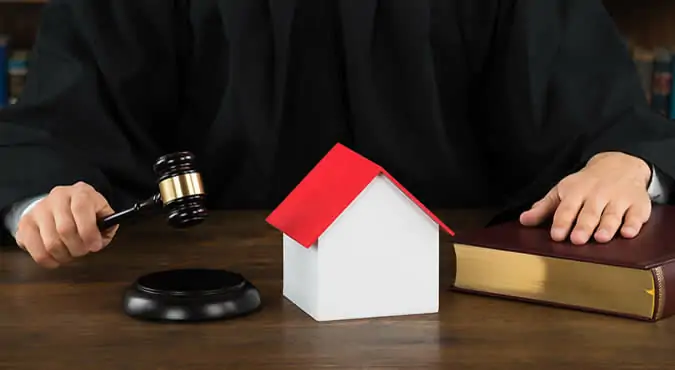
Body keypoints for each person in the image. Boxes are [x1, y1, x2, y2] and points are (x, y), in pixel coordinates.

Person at [0, 0, 674, 269]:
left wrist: (626, 163)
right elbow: (62, 122)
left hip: (455, 287)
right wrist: (46, 202)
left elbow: (597, 117)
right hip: (213, 289)